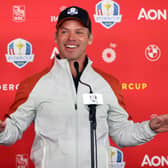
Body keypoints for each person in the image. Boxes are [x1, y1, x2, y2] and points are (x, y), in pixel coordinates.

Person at [0, 6, 168, 168]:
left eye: (79, 32)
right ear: (56, 37)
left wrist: (149, 128)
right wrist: (1, 131)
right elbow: (12, 130)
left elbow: (122, 134)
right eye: (64, 31)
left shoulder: (109, 83)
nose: (71, 38)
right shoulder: (33, 84)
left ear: (90, 38)